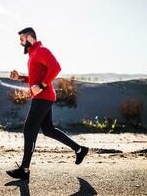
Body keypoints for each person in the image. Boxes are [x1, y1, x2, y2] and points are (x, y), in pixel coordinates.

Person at [6, 27, 89, 180]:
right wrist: (20, 78)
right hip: (44, 97)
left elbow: (56, 67)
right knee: (48, 130)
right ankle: (79, 150)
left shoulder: (41, 50)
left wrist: (42, 86)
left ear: (30, 38)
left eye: (22, 39)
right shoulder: (32, 56)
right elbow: (34, 79)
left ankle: (24, 170)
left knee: (29, 130)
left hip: (43, 97)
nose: (20, 43)